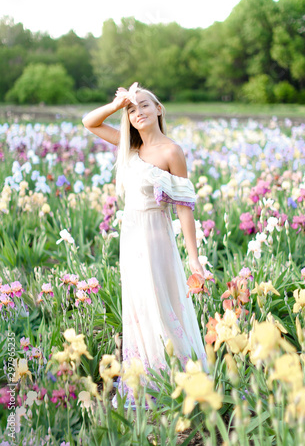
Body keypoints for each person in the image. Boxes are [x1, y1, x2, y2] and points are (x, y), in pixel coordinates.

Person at [82, 82, 209, 409]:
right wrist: (117, 103)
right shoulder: (129, 145)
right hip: (130, 239)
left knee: (162, 305)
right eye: (132, 109)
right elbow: (89, 122)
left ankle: (182, 378)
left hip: (156, 239)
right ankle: (147, 379)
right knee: (138, 309)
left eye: (144, 105)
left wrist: (193, 258)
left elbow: (184, 207)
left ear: (159, 109)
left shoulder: (171, 151)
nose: (137, 112)